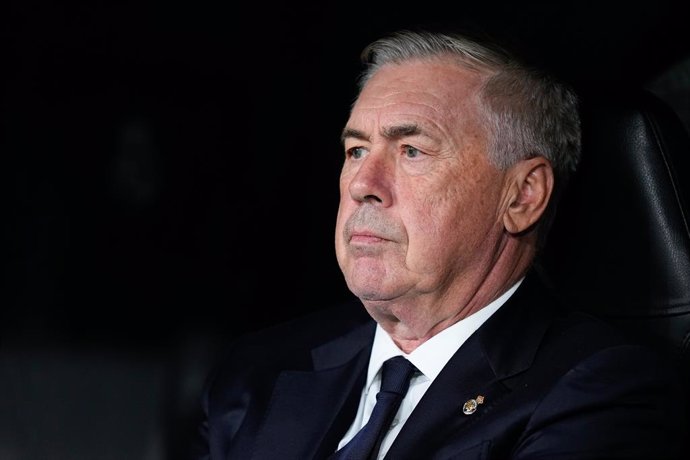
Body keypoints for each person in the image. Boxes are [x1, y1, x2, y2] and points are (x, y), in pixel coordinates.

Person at [191, 29, 688, 459]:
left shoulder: (600, 391)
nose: (363, 182)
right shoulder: (260, 370)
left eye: (412, 150)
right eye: (356, 149)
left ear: (522, 196)